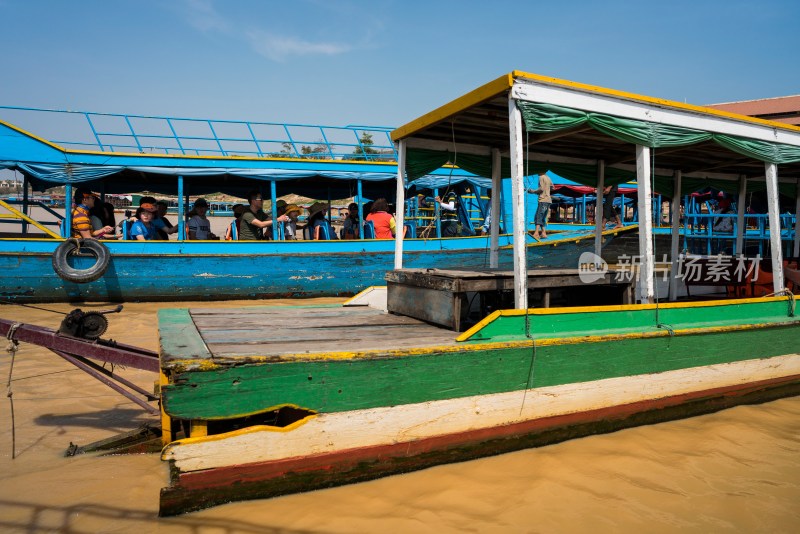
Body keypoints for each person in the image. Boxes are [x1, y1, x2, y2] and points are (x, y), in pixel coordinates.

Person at [527, 172, 554, 239]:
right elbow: (553, 188)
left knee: (538, 216)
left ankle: (536, 233)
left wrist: (533, 191)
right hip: (548, 200)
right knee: (542, 217)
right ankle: (543, 233)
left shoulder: (541, 177)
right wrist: (546, 191)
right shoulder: (548, 177)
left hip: (543, 200)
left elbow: (541, 189)